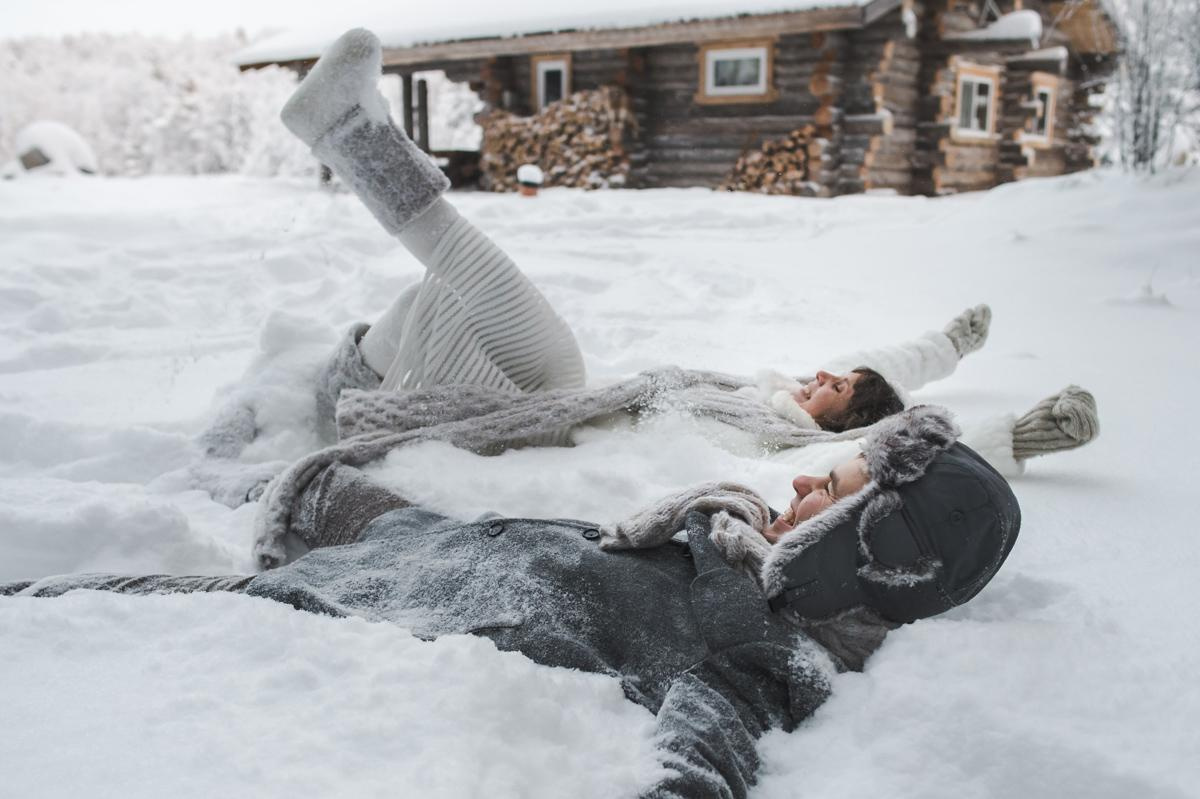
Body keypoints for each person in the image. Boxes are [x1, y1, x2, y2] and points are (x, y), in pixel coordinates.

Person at [192, 28, 1097, 513]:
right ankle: (350, 145)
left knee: (460, 303)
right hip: (571, 400)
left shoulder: (801, 447)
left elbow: (907, 448)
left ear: (844, 420)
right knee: (452, 291)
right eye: (835, 369)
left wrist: (1022, 434)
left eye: (840, 387)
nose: (824, 374)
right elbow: (884, 365)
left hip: (564, 440)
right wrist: (946, 340)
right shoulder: (764, 390)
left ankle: (349, 165)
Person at [5, 405, 1021, 799]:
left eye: (829, 495)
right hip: (441, 542)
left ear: (864, 554)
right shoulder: (744, 545)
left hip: (397, 600)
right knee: (321, 484)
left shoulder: (770, 647)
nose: (803, 487)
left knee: (170, 598)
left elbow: (704, 752)